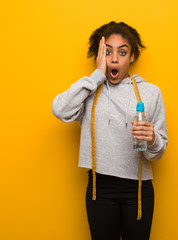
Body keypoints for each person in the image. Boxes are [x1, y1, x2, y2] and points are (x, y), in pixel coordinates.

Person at [52, 21, 168, 240]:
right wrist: (96, 75)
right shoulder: (88, 91)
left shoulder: (151, 93)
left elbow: (159, 153)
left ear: (132, 57)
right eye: (107, 52)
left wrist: (153, 139)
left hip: (139, 192)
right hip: (99, 189)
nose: (114, 59)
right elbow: (59, 109)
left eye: (122, 52)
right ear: (99, 56)